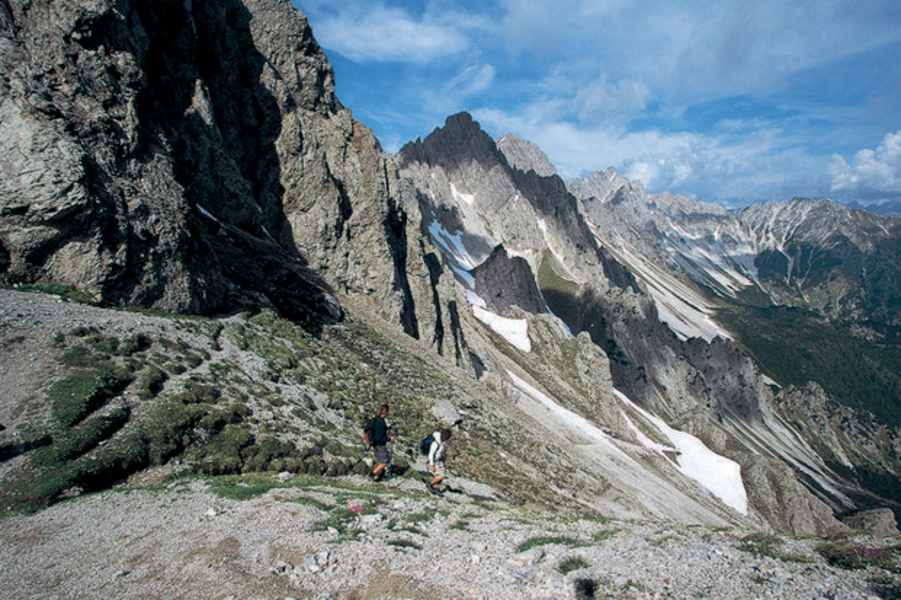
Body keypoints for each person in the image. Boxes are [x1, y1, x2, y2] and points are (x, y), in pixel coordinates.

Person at [363, 403, 395, 480]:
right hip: (379, 444)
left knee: (383, 459)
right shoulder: (382, 422)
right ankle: (372, 475)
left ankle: (379, 475)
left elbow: (367, 430)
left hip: (374, 444)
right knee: (384, 462)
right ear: (386, 412)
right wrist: (389, 439)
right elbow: (380, 436)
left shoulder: (375, 419)